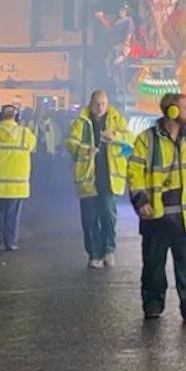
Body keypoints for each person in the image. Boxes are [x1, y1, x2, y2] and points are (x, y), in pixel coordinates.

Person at [127, 92, 186, 322]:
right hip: (157, 216)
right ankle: (153, 302)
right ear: (172, 111)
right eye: (185, 109)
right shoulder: (147, 140)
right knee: (154, 264)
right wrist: (141, 200)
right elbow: (134, 172)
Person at [66, 90, 131, 269]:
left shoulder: (117, 119)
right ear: (91, 103)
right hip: (88, 177)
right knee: (89, 220)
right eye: (96, 103)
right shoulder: (81, 121)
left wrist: (116, 137)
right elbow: (70, 143)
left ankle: (108, 250)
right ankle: (94, 254)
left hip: (110, 178)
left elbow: (130, 139)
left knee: (109, 217)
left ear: (107, 103)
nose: (100, 107)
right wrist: (86, 150)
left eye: (103, 103)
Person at [0, 103, 37, 250]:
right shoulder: (25, 133)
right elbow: (33, 146)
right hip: (16, 184)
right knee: (12, 215)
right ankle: (10, 242)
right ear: (17, 117)